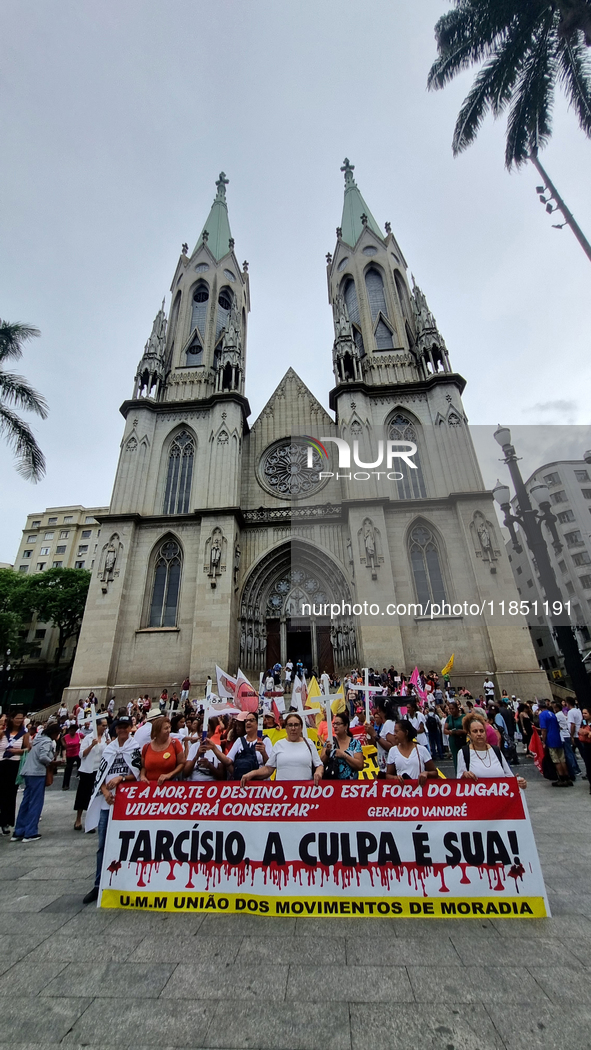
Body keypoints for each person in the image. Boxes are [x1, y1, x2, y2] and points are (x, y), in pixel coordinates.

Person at [83, 715, 141, 904]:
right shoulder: (109, 749)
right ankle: (98, 884)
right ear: (115, 729)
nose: (122, 730)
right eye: (119, 727)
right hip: (107, 803)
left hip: (128, 804)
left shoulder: (135, 748)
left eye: (125, 727)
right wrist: (105, 791)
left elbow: (138, 774)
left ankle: (127, 882)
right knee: (102, 845)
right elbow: (100, 775)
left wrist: (121, 779)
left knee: (129, 845)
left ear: (130, 728)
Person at [11, 722, 62, 842]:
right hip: (37, 772)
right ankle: (30, 832)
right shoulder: (47, 741)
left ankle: (19, 831)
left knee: (26, 801)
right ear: (54, 733)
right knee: (36, 802)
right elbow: (43, 756)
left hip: (28, 771)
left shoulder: (39, 738)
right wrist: (52, 762)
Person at [241, 713, 323, 786]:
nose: (293, 728)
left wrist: (318, 772)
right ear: (286, 728)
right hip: (283, 794)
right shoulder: (279, 744)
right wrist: (252, 774)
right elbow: (268, 769)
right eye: (290, 725)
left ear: (301, 727)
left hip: (304, 793)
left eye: (296, 725)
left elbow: (319, 765)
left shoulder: (309, 743)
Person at [456, 713, 527, 789]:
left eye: (481, 731)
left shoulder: (496, 751)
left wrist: (519, 783)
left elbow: (509, 775)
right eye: (475, 731)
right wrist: (465, 775)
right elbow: (459, 781)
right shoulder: (463, 752)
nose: (479, 734)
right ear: (469, 734)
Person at [74, 719, 107, 830]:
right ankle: (78, 819)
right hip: (87, 770)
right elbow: (81, 754)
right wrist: (92, 745)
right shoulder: (88, 738)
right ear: (97, 726)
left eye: (106, 726)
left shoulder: (105, 737)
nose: (105, 728)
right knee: (83, 794)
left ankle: (91, 821)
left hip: (99, 770)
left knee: (94, 796)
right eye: (103, 725)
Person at [0, 712, 30, 834]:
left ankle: (6, 821)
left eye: (21, 718)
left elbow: (28, 748)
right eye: (16, 718)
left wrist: (19, 751)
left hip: (14, 764)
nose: (19, 720)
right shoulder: (3, 732)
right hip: (1, 763)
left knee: (10, 794)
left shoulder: (24, 733)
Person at [386, 719, 439, 785]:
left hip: (419, 791)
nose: (394, 734)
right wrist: (395, 778)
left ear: (406, 732)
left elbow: (435, 772)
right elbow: (388, 775)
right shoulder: (393, 751)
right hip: (401, 792)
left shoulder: (421, 750)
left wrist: (426, 773)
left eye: (396, 732)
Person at [226, 712, 272, 780]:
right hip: (243, 784)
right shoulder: (239, 741)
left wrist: (263, 753)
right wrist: (237, 774)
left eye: (251, 720)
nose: (248, 723)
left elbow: (270, 766)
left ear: (258, 723)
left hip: (261, 783)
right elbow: (228, 761)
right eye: (246, 721)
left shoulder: (265, 741)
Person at [537, 700, 572, 787]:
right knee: (562, 759)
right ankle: (567, 777)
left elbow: (544, 729)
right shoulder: (552, 713)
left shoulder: (542, 715)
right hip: (558, 737)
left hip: (550, 738)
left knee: (556, 760)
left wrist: (544, 741)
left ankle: (561, 778)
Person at [139, 716, 184, 784]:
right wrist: (142, 776)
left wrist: (169, 775)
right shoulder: (146, 747)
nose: (169, 730)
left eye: (169, 727)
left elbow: (182, 763)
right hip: (149, 787)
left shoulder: (175, 743)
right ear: (157, 731)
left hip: (169, 786)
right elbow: (143, 767)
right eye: (166, 728)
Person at [320, 710, 364, 779]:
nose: (335, 726)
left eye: (338, 724)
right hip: (333, 784)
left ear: (346, 726)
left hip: (351, 786)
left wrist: (344, 756)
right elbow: (321, 763)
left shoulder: (355, 743)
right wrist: (327, 752)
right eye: (334, 724)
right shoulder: (330, 741)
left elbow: (360, 765)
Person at [364, 701, 396, 773]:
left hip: (389, 768)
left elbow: (392, 747)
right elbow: (378, 745)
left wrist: (375, 735)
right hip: (383, 767)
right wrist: (370, 735)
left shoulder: (389, 723)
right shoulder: (385, 724)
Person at [552, 701, 581, 780]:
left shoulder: (558, 715)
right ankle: (576, 768)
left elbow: (558, 726)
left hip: (563, 735)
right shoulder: (563, 714)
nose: (554, 709)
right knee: (570, 752)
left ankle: (573, 768)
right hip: (566, 734)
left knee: (567, 754)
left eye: (554, 708)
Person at [444, 700, 467, 772]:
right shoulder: (449, 718)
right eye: (449, 709)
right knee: (456, 758)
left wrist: (460, 731)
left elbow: (467, 729)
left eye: (452, 709)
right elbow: (445, 730)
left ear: (457, 709)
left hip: (462, 740)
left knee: (464, 757)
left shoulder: (464, 717)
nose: (451, 711)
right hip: (453, 740)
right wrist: (452, 732)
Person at [62, 721, 83, 790]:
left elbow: (85, 737)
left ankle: (82, 784)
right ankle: (65, 784)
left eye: (73, 731)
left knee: (81, 769)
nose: (72, 732)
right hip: (69, 755)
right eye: (71, 731)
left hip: (77, 754)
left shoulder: (78, 735)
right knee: (68, 770)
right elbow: (61, 739)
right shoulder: (66, 736)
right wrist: (64, 745)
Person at [577, 708, 591, 793]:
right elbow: (580, 731)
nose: (584, 715)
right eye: (583, 713)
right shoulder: (584, 722)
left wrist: (587, 733)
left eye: (586, 713)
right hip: (586, 746)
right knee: (588, 765)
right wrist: (586, 732)